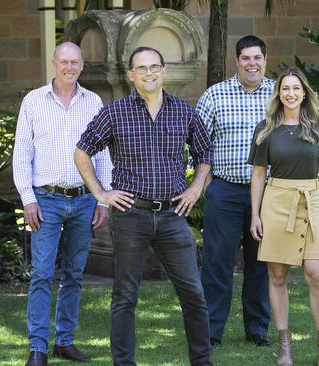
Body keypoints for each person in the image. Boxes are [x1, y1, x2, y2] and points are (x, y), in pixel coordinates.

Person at [74, 46, 213, 366]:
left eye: (154, 67)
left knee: (193, 293)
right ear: (131, 75)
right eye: (142, 68)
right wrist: (101, 194)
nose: (148, 73)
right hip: (130, 215)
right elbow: (82, 152)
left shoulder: (183, 111)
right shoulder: (115, 112)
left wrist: (194, 189)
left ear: (163, 72)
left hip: (172, 215)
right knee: (125, 296)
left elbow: (206, 153)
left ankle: (202, 362)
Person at [13, 42, 112, 366]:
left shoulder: (93, 102)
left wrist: (103, 199)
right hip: (46, 200)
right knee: (42, 273)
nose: (69, 67)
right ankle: (38, 348)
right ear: (54, 64)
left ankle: (64, 341)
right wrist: (28, 200)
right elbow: (21, 156)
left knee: (74, 273)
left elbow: (103, 155)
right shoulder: (33, 102)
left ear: (81, 66)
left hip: (84, 201)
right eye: (64, 62)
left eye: (75, 63)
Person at [248, 67, 319, 366]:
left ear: (304, 92)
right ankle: (284, 347)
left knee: (315, 273)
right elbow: (259, 174)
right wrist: (255, 215)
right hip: (276, 202)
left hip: (309, 201)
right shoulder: (266, 129)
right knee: (277, 275)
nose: (290, 93)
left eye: (295, 88)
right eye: (285, 88)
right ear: (278, 93)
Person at [195, 35, 274, 347]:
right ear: (237, 61)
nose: (251, 63)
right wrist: (208, 181)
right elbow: (198, 141)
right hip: (225, 190)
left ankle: (257, 329)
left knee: (261, 262)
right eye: (246, 58)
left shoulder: (279, 95)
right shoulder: (215, 95)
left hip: (268, 193)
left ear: (264, 60)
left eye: (257, 57)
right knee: (217, 261)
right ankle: (211, 330)